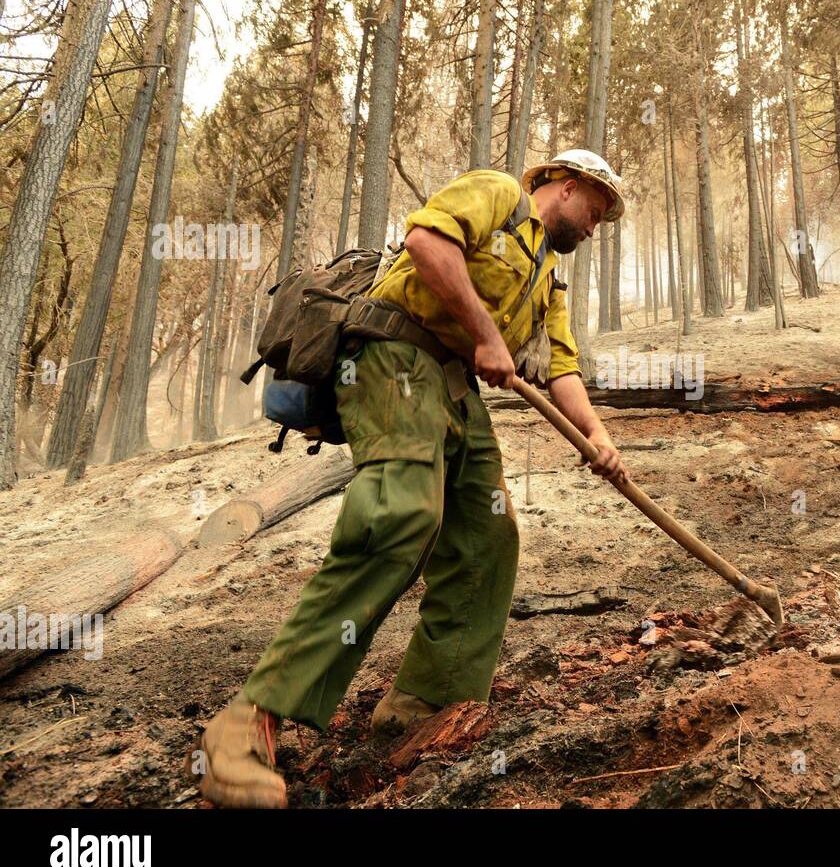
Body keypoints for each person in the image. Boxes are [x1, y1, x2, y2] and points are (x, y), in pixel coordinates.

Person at [194, 149, 630, 808]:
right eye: (595, 212)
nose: (595, 228)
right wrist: (486, 333)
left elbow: (560, 368)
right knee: (400, 513)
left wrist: (598, 438)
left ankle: (426, 703)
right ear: (566, 187)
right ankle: (246, 725)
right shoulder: (499, 195)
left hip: (454, 391)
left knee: (488, 536)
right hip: (393, 354)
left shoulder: (549, 282)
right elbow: (427, 242)